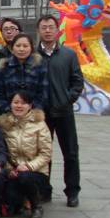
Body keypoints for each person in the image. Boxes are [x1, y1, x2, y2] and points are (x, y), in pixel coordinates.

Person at [37, 14, 84, 207]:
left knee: (70, 153)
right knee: (43, 154)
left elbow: (77, 81)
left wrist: (67, 99)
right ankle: (44, 190)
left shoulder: (68, 55)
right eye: (44, 27)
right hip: (41, 114)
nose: (47, 31)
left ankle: (72, 191)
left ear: (57, 30)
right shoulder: (33, 55)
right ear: (39, 31)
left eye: (51, 27)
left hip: (64, 112)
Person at [0, 91, 52, 218]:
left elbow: (46, 154)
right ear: (10, 104)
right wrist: (9, 169)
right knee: (11, 202)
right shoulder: (4, 125)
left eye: (23, 103)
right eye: (16, 102)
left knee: (25, 177)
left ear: (30, 105)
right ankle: (20, 201)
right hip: (14, 171)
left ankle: (36, 206)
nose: (19, 106)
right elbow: (2, 151)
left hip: (36, 172)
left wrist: (28, 166)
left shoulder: (40, 124)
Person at [0, 33, 48, 114]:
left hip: (33, 115)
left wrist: (31, 111)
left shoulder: (39, 65)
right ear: (12, 48)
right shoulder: (4, 66)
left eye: (25, 46)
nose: (21, 49)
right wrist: (8, 110)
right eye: (18, 46)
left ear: (31, 48)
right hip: (9, 115)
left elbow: (43, 93)